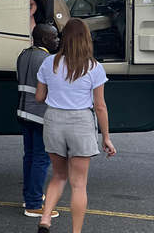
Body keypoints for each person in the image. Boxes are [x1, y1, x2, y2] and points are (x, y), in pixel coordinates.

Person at [35, 18, 116, 233]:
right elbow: (100, 106)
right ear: (86, 38)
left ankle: (45, 219)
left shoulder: (49, 63)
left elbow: (39, 97)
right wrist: (106, 137)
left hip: (54, 121)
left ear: (65, 38)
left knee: (58, 176)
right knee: (79, 184)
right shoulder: (94, 67)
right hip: (80, 122)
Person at [17, 24, 61, 219]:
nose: (57, 40)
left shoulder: (23, 55)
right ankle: (34, 204)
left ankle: (29, 197)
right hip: (41, 116)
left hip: (23, 113)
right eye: (54, 37)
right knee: (41, 160)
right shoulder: (48, 60)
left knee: (29, 157)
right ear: (44, 40)